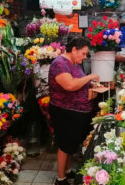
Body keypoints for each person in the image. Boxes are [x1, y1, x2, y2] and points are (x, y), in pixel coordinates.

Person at [49, 35, 100, 185]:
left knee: (71, 144)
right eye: (83, 53)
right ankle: (60, 179)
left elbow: (79, 83)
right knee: (65, 144)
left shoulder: (75, 62)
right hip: (64, 111)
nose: (85, 57)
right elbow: (70, 85)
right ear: (73, 50)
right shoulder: (59, 64)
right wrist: (90, 77)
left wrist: (91, 89)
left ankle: (67, 170)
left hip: (77, 111)